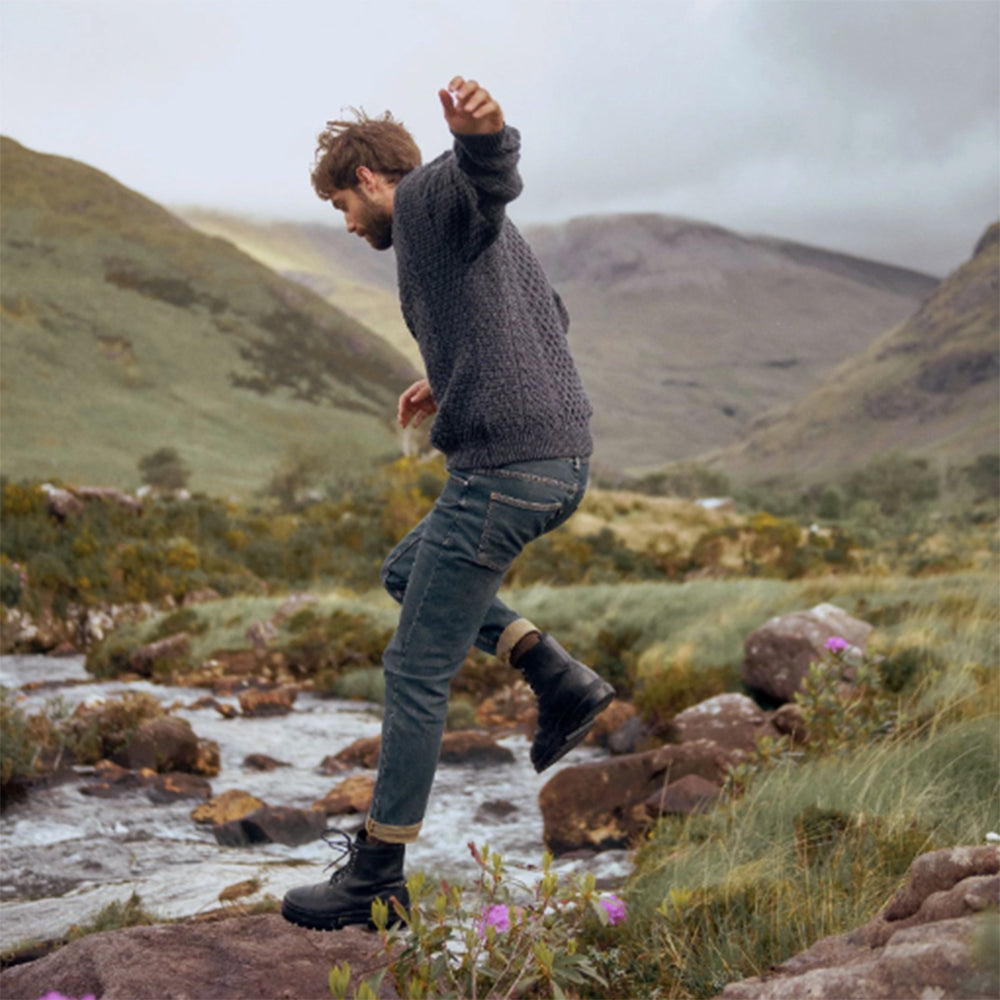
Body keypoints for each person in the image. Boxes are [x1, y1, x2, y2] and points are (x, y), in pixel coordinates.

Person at [281, 76, 614, 932]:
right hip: (553, 461)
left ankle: (377, 875)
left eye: (341, 205)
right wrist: (451, 377)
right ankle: (557, 676)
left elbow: (485, 176)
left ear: (368, 179)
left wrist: (486, 135)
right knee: (405, 570)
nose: (347, 225)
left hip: (502, 470)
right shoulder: (466, 242)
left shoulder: (430, 198)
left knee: (414, 669)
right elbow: (550, 317)